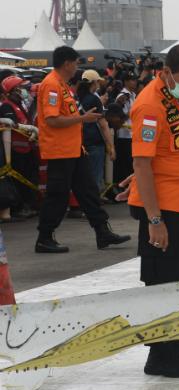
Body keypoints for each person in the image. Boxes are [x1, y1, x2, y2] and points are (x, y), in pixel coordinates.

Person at [127, 43, 179, 378]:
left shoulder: (175, 97)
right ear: (166, 72)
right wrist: (155, 219)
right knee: (163, 280)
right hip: (161, 209)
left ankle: (177, 340)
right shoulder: (148, 105)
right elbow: (143, 162)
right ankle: (159, 354)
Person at [34, 46, 130, 253]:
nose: (78, 66)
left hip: (74, 150)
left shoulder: (64, 86)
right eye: (76, 62)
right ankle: (44, 237)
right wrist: (82, 118)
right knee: (57, 196)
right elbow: (52, 120)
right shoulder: (51, 85)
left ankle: (103, 232)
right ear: (67, 63)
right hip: (60, 151)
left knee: (88, 192)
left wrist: (81, 123)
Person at [0, 76, 39, 218]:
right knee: (19, 180)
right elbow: (13, 124)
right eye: (20, 88)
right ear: (13, 91)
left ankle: (29, 205)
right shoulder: (7, 106)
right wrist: (30, 128)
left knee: (29, 178)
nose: (24, 91)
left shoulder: (20, 104)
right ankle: (19, 208)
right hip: (15, 150)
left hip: (27, 148)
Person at [77, 70, 115, 192]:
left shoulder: (76, 97)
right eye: (98, 81)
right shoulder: (94, 99)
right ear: (94, 83)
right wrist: (111, 146)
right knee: (95, 176)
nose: (99, 84)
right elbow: (103, 125)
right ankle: (93, 204)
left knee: (82, 177)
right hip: (94, 142)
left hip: (79, 141)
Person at [113, 71, 138, 183]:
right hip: (124, 134)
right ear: (126, 82)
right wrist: (132, 112)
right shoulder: (122, 96)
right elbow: (118, 116)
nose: (135, 82)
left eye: (135, 80)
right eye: (132, 80)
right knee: (125, 164)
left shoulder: (133, 95)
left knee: (131, 163)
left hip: (132, 133)